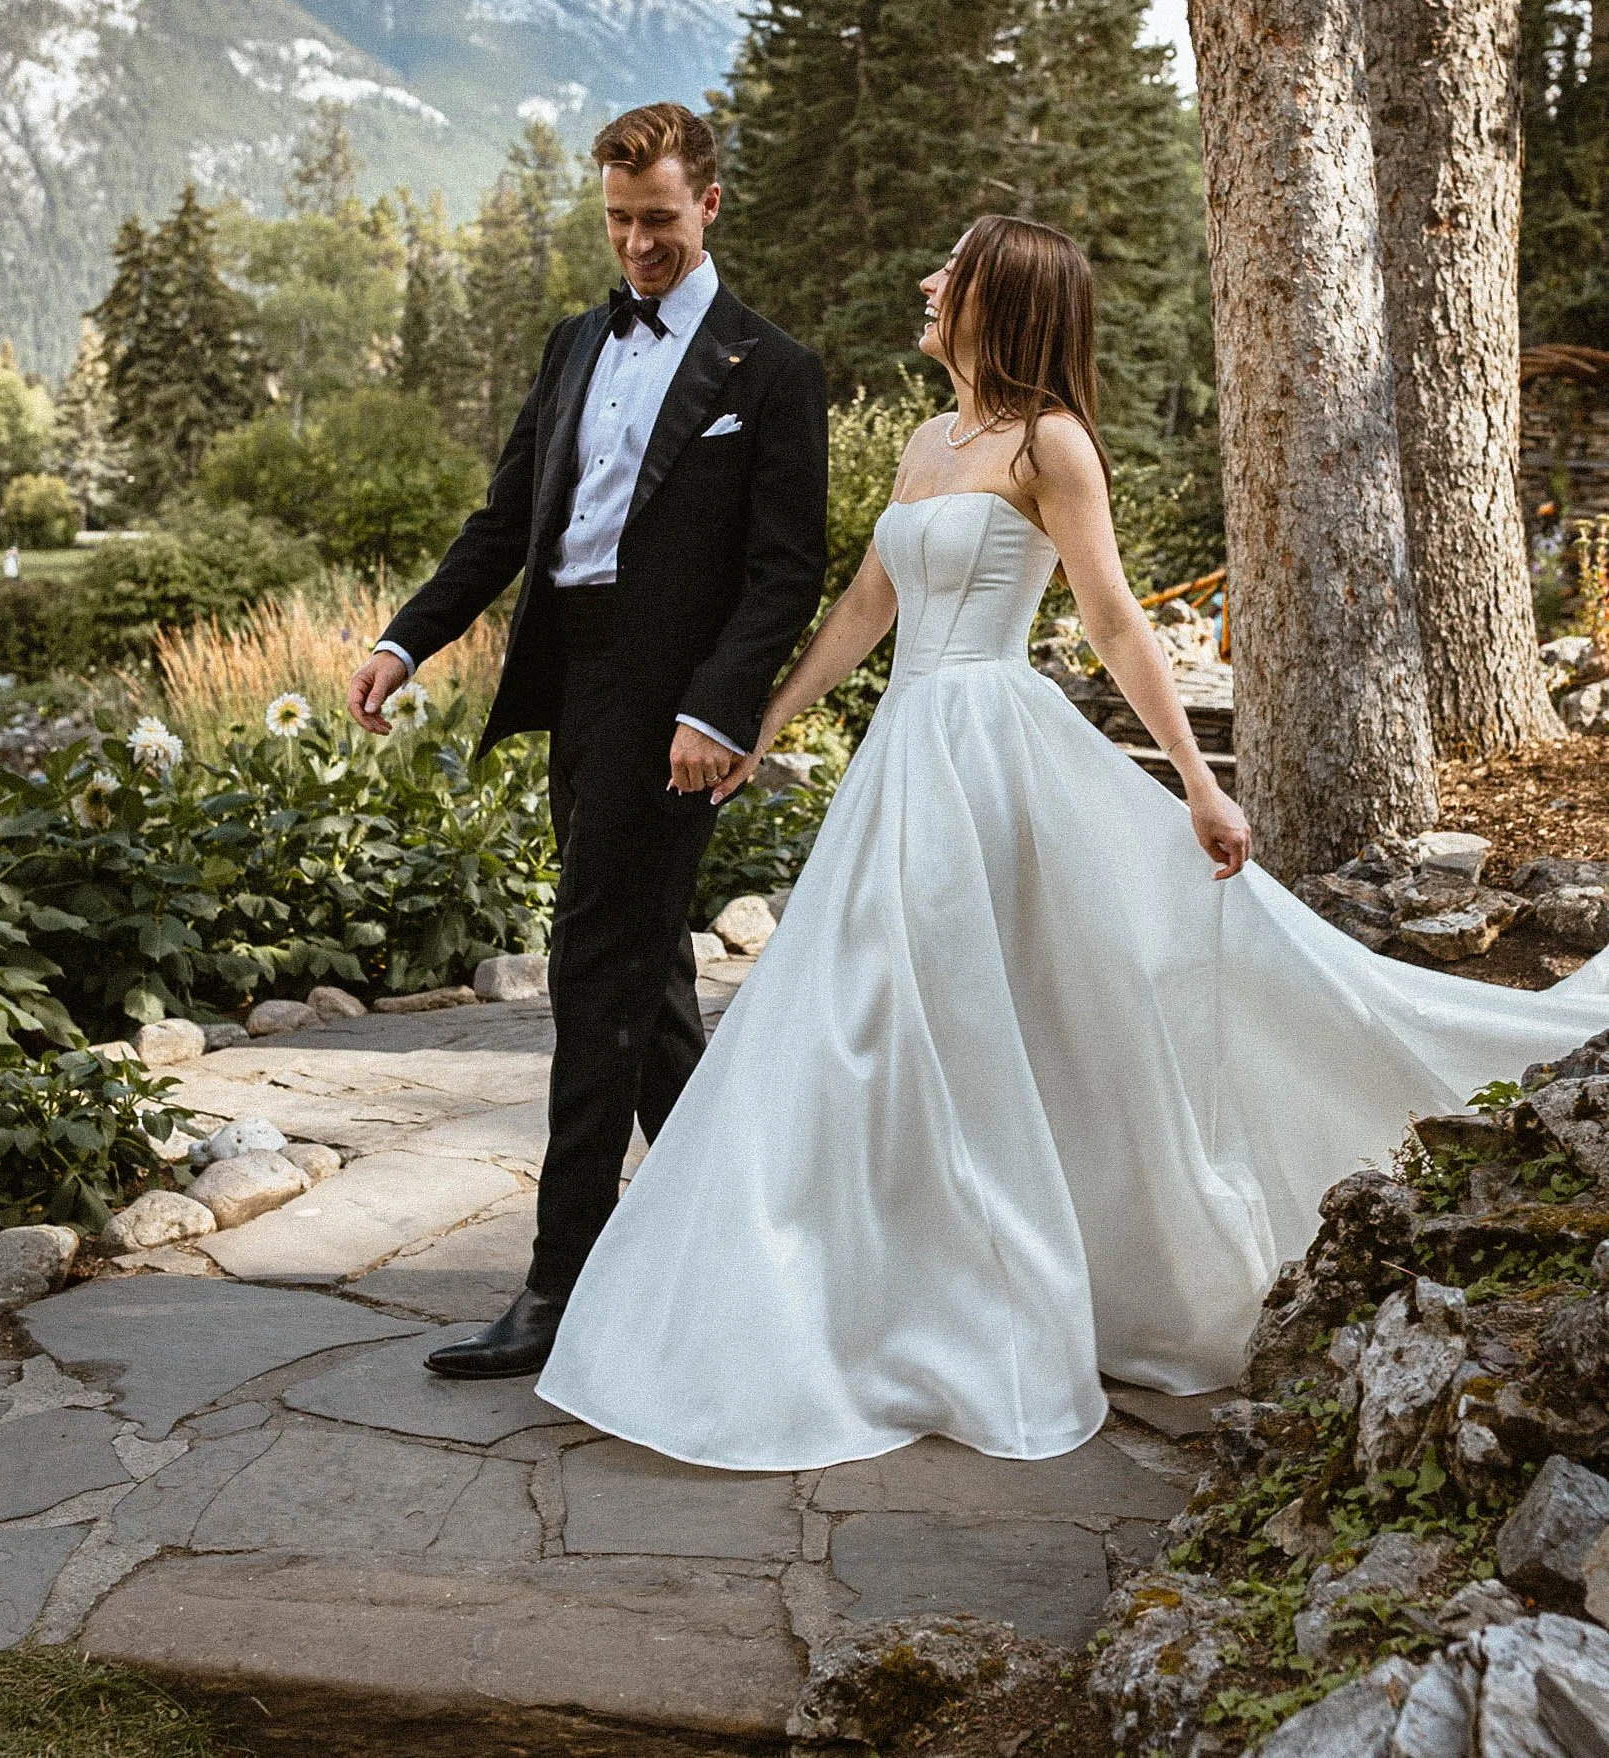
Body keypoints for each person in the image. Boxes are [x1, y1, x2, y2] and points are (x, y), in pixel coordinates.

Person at [535, 212, 1609, 1471]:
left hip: (992, 749)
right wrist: (757, 720)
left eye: (953, 270)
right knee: (868, 1008)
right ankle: (866, 1275)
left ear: (1004, 299)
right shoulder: (929, 441)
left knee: (961, 1009)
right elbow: (866, 608)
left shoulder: (1052, 444)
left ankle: (989, 1291)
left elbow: (1111, 621)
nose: (927, 280)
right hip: (904, 754)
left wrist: (1204, 789)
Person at [348, 102, 828, 1380]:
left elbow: (786, 573)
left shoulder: (770, 370)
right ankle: (760, 1241)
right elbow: (504, 524)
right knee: (644, 984)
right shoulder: (574, 346)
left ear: (709, 205)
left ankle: (562, 1283)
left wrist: (715, 711)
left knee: (592, 973)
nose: (637, 246)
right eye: (619, 223)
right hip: (578, 688)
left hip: (671, 711)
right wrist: (406, 640)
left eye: (658, 220)